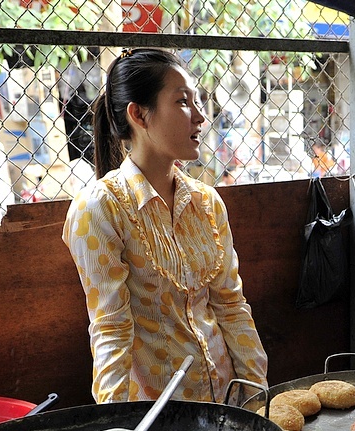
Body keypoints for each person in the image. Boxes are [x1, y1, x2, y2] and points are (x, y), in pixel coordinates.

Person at [62, 48, 268, 403]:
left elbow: (231, 306)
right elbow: (111, 329)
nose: (200, 116)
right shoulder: (99, 208)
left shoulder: (207, 203)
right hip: (158, 420)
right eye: (183, 102)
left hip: (227, 402)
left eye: (197, 100)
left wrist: (253, 397)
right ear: (139, 115)